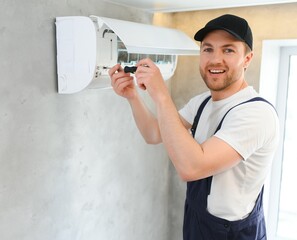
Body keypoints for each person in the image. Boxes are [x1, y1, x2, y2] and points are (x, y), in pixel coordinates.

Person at [108, 14, 279, 239]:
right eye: (208, 49)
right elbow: (154, 133)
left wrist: (161, 94)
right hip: (197, 223)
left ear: (247, 59)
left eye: (228, 50)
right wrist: (133, 97)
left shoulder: (256, 114)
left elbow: (191, 168)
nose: (215, 59)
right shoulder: (202, 102)